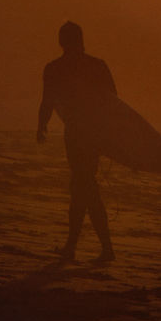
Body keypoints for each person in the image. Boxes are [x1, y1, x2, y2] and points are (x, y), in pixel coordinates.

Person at [37, 21, 117, 266]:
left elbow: (47, 101)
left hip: (76, 135)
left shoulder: (54, 68)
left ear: (61, 41)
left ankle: (100, 247)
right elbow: (114, 103)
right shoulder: (97, 65)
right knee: (82, 186)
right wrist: (116, 140)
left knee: (84, 186)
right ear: (81, 40)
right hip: (93, 136)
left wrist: (42, 126)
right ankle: (78, 247)